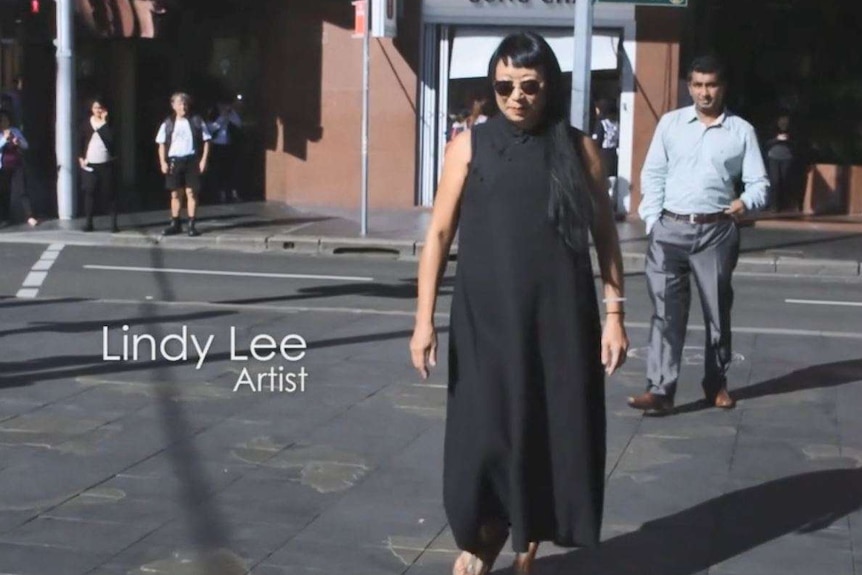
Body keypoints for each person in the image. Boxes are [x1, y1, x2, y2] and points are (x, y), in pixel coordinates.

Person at [409, 32, 628, 575]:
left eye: (529, 86)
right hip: (485, 320)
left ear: (548, 85)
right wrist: (423, 321)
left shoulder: (580, 150)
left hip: (559, 319)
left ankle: (524, 546)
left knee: (544, 428)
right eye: (504, 85)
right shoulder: (469, 146)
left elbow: (605, 237)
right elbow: (437, 234)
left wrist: (615, 315)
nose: (516, 96)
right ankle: (484, 533)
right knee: (482, 435)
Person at [632, 55, 769, 415]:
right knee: (665, 314)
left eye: (711, 85)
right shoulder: (671, 124)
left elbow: (759, 183)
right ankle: (660, 390)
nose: (704, 92)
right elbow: (654, 174)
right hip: (669, 230)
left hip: (716, 233)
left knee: (717, 313)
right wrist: (653, 222)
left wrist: (745, 202)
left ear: (722, 87)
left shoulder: (741, 131)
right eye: (697, 85)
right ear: (688, 86)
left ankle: (716, 384)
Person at [155, 92, 211, 237]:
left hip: (191, 160)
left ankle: (191, 224)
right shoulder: (168, 123)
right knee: (175, 193)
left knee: (191, 192)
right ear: (173, 106)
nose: (183, 107)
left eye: (185, 103)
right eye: (179, 104)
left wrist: (203, 159)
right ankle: (175, 223)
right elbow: (161, 143)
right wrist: (162, 161)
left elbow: (206, 140)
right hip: (174, 160)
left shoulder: (196, 121)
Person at [79, 97, 119, 232]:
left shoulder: (109, 124)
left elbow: (111, 139)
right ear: (91, 109)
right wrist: (80, 157)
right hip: (90, 163)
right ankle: (89, 223)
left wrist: (103, 123)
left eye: (100, 108)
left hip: (106, 163)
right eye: (96, 108)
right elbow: (80, 140)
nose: (98, 110)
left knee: (110, 193)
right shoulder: (86, 123)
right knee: (89, 192)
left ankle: (114, 224)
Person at [0, 110, 37, 227]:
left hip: (17, 165)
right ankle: (5, 217)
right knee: (4, 192)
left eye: (6, 120)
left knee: (22, 190)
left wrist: (18, 142)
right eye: (2, 120)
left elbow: (26, 145)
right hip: (3, 167)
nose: (4, 122)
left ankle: (30, 216)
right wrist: (4, 140)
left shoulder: (15, 131)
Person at [206, 99, 243, 203]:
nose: (224, 107)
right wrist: (222, 118)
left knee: (231, 170)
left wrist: (231, 113)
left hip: (229, 146)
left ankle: (233, 192)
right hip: (217, 146)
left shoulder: (231, 114)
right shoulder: (213, 115)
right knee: (218, 171)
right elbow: (211, 128)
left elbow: (239, 124)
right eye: (222, 105)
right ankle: (220, 194)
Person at [592, 98, 621, 216]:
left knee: (603, 182)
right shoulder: (616, 123)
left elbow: (596, 141)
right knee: (612, 181)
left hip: (603, 154)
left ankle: (604, 210)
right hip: (613, 154)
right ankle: (611, 206)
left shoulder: (601, 124)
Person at [764, 115, 798, 212]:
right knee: (774, 181)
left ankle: (784, 204)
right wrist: (777, 139)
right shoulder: (772, 130)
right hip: (773, 157)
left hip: (787, 157)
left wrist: (788, 140)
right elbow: (766, 143)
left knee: (784, 180)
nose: (783, 123)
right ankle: (773, 205)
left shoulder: (792, 131)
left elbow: (796, 143)